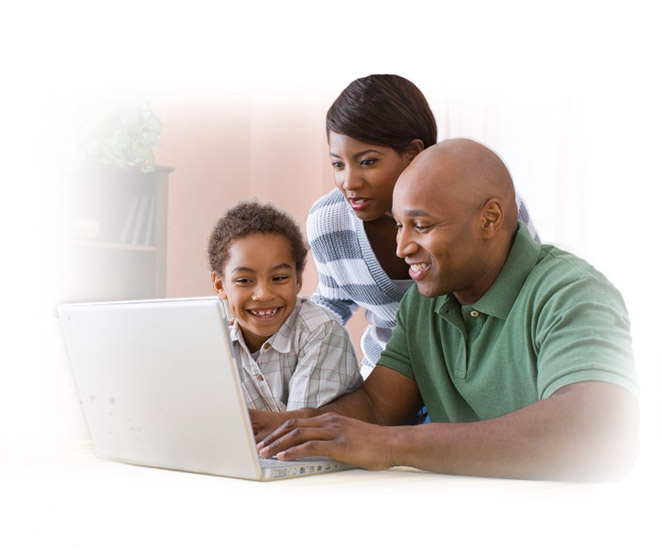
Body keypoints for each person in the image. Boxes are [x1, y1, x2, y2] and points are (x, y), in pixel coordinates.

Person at [251, 139, 639, 481]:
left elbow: (597, 431)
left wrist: (390, 445)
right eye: (400, 225)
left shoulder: (571, 292)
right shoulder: (424, 301)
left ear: (489, 219)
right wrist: (287, 426)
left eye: (421, 225)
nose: (402, 247)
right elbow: (377, 405)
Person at [307, 74, 538, 374]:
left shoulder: (484, 201)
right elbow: (330, 305)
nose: (348, 182)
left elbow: (530, 283)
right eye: (338, 164)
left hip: (478, 373)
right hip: (387, 375)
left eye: (368, 162)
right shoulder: (328, 222)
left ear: (414, 153)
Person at [208, 200, 362, 412]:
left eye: (279, 278)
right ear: (220, 285)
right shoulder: (215, 344)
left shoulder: (321, 331)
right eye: (244, 280)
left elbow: (301, 433)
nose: (263, 295)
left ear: (298, 280)